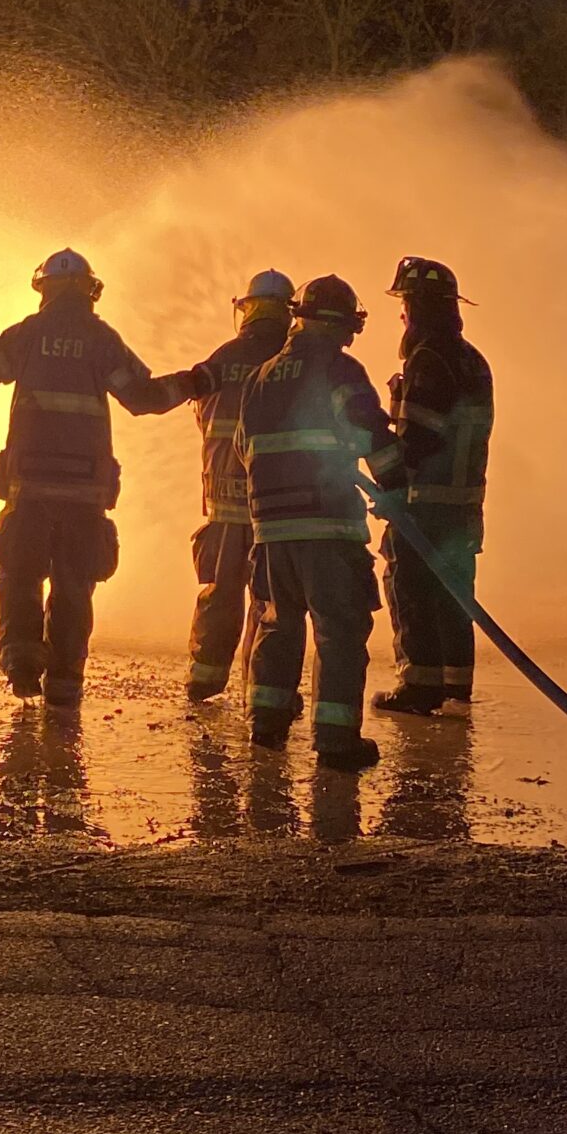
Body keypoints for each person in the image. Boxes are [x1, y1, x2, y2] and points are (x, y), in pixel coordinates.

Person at [0, 248, 196, 707]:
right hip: (85, 494)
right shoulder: (102, 340)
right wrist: (196, 383)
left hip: (29, 489)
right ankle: (65, 688)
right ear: (90, 291)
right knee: (74, 585)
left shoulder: (27, 334)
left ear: (44, 289)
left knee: (19, 573)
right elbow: (145, 398)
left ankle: (21, 662)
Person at [235, 274, 406, 771]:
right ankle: (335, 741)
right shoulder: (339, 368)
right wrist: (397, 490)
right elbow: (369, 431)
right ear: (345, 325)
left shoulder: (260, 375)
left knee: (276, 625)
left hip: (270, 530)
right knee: (339, 630)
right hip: (327, 527)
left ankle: (265, 726)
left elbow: (244, 449)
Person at [373, 256, 494, 716]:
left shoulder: (428, 359)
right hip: (464, 503)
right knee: (455, 596)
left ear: (419, 307)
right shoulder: (473, 360)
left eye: (405, 302)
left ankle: (420, 688)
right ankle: (455, 690)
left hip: (424, 502)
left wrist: (389, 478)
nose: (402, 313)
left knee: (412, 590)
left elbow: (418, 438)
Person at [184, 268, 295, 705]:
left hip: (223, 503)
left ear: (245, 309)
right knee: (271, 602)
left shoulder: (222, 358)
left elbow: (201, 415)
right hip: (277, 504)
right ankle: (261, 691)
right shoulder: (293, 361)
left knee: (220, 591)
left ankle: (204, 679)